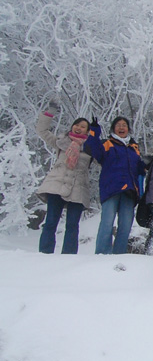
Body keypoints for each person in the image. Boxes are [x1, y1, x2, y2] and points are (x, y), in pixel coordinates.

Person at [35, 103, 92, 254]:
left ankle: (69, 258)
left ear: (88, 131)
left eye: (83, 127)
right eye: (77, 125)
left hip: (78, 188)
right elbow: (42, 131)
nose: (79, 128)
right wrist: (50, 113)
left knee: (73, 225)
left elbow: (105, 158)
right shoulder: (61, 142)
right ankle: (45, 254)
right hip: (57, 185)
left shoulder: (91, 148)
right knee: (51, 222)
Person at [86, 116, 145, 254]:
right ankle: (102, 253)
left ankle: (119, 254)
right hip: (111, 188)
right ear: (113, 129)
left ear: (128, 129)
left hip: (129, 191)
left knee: (125, 225)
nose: (121, 127)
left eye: (124, 125)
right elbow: (95, 151)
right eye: (118, 125)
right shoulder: (107, 144)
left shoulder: (133, 148)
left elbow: (138, 167)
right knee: (107, 223)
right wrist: (94, 131)